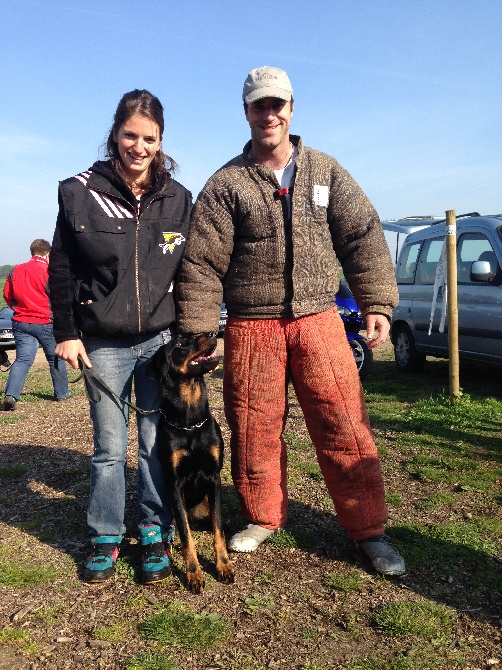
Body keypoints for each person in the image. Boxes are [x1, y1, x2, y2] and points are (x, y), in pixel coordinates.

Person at [176, 66, 406, 576]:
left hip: (320, 318)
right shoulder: (226, 183)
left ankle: (369, 530)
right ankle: (262, 516)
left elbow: (363, 236)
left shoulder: (325, 171)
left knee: (343, 422)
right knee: (254, 426)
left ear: (292, 109)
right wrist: (199, 334)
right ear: (246, 112)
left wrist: (377, 303)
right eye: (259, 105)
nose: (269, 114)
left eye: (277, 104)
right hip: (251, 325)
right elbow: (201, 264)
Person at [48, 89, 192, 584]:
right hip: (102, 343)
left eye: (148, 138)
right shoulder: (77, 190)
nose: (139, 146)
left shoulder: (178, 198)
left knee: (155, 442)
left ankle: (155, 531)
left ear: (161, 141)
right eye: (130, 135)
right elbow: (62, 269)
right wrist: (66, 333)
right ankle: (106, 535)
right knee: (109, 446)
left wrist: (189, 335)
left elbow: (190, 271)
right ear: (115, 134)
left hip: (159, 341)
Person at [1, 239, 69, 411]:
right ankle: (61, 394)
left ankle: (11, 396)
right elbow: (58, 297)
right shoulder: (49, 271)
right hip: (45, 321)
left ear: (32, 252)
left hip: (21, 322)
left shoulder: (16, 270)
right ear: (48, 254)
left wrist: (18, 309)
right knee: (55, 357)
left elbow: (7, 295)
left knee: (23, 359)